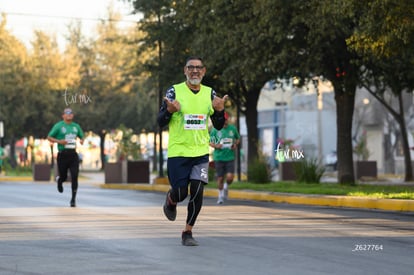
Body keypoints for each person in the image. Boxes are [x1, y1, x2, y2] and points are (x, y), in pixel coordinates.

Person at [158, 56, 227, 246]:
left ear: (204, 71)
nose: (195, 71)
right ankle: (171, 200)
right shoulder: (174, 91)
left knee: (197, 191)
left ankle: (187, 232)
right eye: (191, 67)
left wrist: (220, 112)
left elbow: (219, 126)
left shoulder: (210, 93)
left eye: (198, 68)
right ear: (185, 70)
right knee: (181, 193)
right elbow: (160, 122)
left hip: (200, 153)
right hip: (178, 153)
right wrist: (169, 111)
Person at [47, 108, 84, 207]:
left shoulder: (76, 126)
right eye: (66, 113)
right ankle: (60, 180)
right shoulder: (58, 126)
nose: (69, 115)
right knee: (63, 176)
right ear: (63, 115)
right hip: (62, 154)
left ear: (73, 115)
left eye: (71, 113)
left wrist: (81, 140)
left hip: (73, 154)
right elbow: (49, 137)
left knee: (75, 176)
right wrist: (60, 142)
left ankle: (73, 199)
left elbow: (81, 136)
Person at [209, 112, 240, 204]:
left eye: (226, 119)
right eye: (223, 120)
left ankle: (226, 186)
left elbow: (237, 139)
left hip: (230, 157)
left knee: (230, 177)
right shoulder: (215, 130)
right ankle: (220, 196)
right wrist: (216, 146)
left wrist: (235, 145)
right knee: (220, 178)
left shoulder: (232, 129)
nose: (225, 121)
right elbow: (210, 142)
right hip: (219, 157)